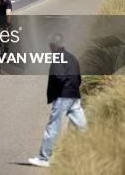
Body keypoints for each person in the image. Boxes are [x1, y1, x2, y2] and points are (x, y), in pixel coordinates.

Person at [29, 33, 86, 168]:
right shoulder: (72, 57)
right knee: (82, 126)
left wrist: (57, 91)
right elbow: (78, 77)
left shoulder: (57, 58)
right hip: (74, 95)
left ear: (53, 46)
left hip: (63, 96)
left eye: (50, 46)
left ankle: (43, 158)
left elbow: (59, 77)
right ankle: (90, 151)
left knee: (53, 127)